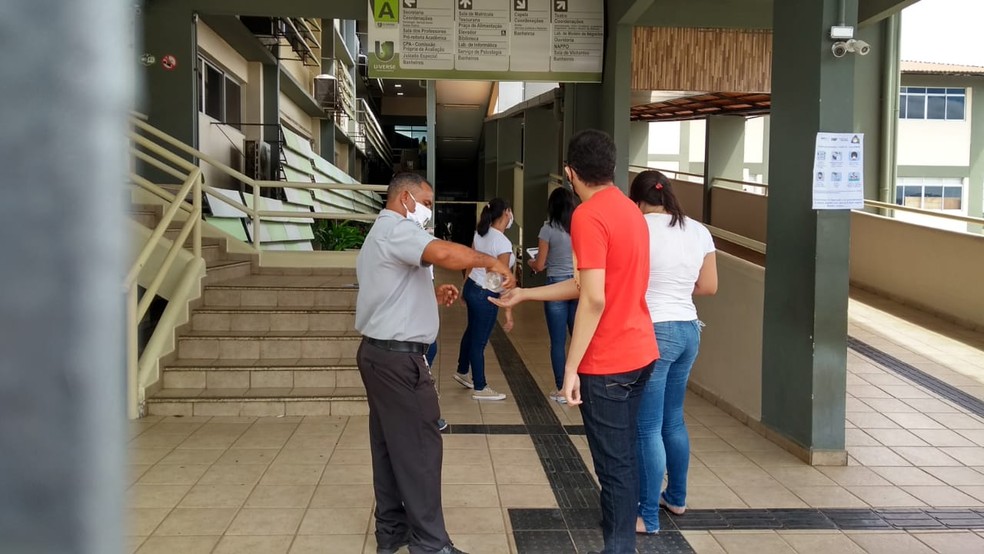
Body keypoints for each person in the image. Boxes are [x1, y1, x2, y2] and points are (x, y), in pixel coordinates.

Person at [492, 130, 659, 554]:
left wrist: (570, 367)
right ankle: (621, 541)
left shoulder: (588, 215)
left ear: (569, 172)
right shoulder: (631, 211)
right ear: (613, 167)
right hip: (641, 353)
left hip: (608, 364)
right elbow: (586, 284)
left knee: (614, 468)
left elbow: (594, 299)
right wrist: (526, 293)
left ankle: (619, 548)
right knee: (623, 458)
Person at [355, 172, 513, 554]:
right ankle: (430, 544)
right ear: (405, 199)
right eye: (425, 203)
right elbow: (443, 253)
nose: (428, 210)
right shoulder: (397, 228)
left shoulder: (381, 234)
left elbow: (393, 287)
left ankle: (392, 531)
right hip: (398, 363)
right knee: (422, 450)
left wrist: (431, 293)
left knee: (389, 447)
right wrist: (491, 262)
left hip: (378, 355)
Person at [629, 171, 718, 535]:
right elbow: (709, 286)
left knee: (647, 426)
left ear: (638, 200)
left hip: (654, 331)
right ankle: (676, 498)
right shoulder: (698, 230)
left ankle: (647, 516)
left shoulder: (638, 228)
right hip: (688, 330)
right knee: (673, 420)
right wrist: (677, 288)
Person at [453, 198, 515, 401]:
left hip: (473, 286)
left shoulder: (480, 234)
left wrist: (464, 287)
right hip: (486, 293)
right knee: (479, 341)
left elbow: (469, 262)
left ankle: (462, 371)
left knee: (471, 331)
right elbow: (501, 278)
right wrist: (508, 310)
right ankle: (480, 386)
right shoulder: (503, 242)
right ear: (506, 213)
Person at [527, 187, 579, 403]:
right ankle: (581, 386)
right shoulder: (578, 227)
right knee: (578, 339)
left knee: (558, 342)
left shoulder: (547, 229)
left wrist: (531, 262)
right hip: (576, 285)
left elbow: (540, 264)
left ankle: (562, 389)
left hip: (556, 286)